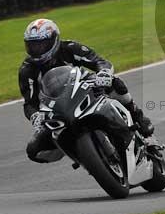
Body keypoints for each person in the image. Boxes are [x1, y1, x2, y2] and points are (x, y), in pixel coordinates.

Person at [18, 18, 154, 163]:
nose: (36, 50)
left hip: (82, 89)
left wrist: (104, 74)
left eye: (41, 45)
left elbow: (99, 61)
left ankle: (138, 117)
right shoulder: (27, 70)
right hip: (56, 109)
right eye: (32, 46)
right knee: (33, 150)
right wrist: (35, 116)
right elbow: (29, 103)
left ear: (54, 40)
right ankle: (82, 157)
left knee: (115, 83)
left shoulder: (70, 48)